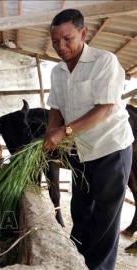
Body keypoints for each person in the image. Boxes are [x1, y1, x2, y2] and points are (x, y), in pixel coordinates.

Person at [43, 9, 134, 270]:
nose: (61, 47)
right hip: (80, 152)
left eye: (67, 39)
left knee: (106, 217)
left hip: (110, 148)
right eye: (55, 41)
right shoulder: (58, 72)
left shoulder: (105, 61)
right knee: (81, 209)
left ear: (84, 33)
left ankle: (99, 267)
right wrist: (52, 130)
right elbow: (56, 107)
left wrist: (65, 132)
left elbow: (104, 108)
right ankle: (76, 260)